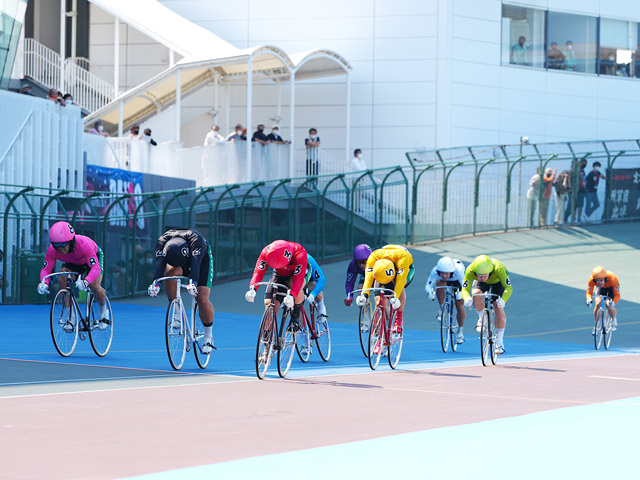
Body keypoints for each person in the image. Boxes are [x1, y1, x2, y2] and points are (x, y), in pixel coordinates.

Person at [147, 229, 215, 354]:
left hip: (201, 259)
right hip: (176, 259)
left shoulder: (197, 241)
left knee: (201, 297)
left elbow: (195, 266)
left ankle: (208, 336)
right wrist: (156, 284)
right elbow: (159, 264)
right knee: (170, 274)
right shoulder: (162, 242)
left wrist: (193, 283)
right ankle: (176, 313)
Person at [37, 221, 109, 329]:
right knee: (62, 277)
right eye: (56, 245)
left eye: (62, 244)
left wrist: (86, 281)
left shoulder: (83, 244)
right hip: (74, 262)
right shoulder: (52, 250)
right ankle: (71, 316)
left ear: (70, 241)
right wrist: (44, 282)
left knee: (94, 286)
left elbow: (95, 268)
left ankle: (104, 311)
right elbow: (46, 269)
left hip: (92, 258)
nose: (59, 248)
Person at [245, 240, 308, 331]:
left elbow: (298, 278)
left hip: (296, 274)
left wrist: (292, 295)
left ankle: (296, 317)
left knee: (294, 284)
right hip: (279, 273)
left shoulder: (300, 253)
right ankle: (268, 335)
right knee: (269, 303)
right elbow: (258, 272)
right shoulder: (266, 251)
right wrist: (253, 288)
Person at [355, 245, 414, 337]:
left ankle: (399, 319)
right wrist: (364, 295)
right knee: (378, 301)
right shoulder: (372, 258)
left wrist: (395, 297)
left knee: (398, 284)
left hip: (403, 264)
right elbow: (368, 279)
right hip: (383, 266)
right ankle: (379, 336)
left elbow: (400, 281)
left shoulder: (403, 258)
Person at [461, 254, 512, 355]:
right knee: (476, 295)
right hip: (481, 284)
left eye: (485, 275)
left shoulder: (499, 268)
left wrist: (503, 300)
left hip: (498, 282)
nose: (483, 277)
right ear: (475, 272)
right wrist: (466, 298)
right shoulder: (470, 270)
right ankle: (482, 318)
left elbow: (508, 288)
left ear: (490, 271)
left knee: (498, 307)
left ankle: (500, 342)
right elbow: (465, 289)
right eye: (480, 275)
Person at [425, 256, 466, 344]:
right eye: (442, 273)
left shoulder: (459, 271)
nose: (444, 276)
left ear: (451, 272)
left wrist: (462, 294)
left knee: (460, 304)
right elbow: (428, 285)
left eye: (447, 273)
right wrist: (430, 292)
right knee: (439, 285)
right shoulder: (435, 271)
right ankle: (442, 309)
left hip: (458, 282)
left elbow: (465, 287)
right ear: (438, 271)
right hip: (444, 283)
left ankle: (460, 332)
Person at [586, 266, 620, 335]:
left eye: (601, 280)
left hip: (611, 289)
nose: (599, 283)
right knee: (598, 303)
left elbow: (617, 295)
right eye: (596, 281)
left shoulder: (613, 279)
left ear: (605, 278)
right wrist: (589, 299)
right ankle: (597, 325)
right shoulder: (591, 280)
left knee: (608, 305)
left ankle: (614, 319)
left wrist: (613, 302)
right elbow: (589, 292)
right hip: (601, 289)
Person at [305, 254, 328, 321]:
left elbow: (322, 280)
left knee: (312, 287)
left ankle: (321, 305)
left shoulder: (309, 260)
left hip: (308, 276)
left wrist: (313, 294)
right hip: (294, 276)